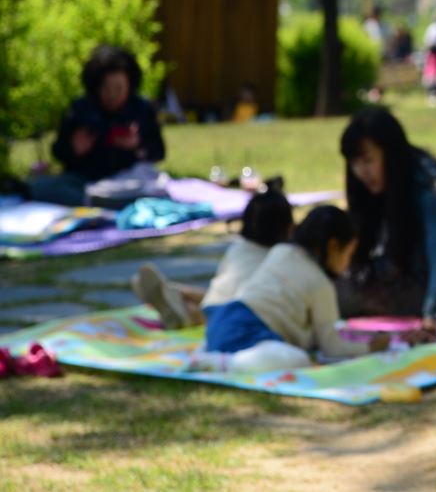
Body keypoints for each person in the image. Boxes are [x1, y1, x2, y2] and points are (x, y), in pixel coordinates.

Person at [338, 107, 436, 341]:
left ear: (390, 155)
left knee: (344, 297)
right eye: (354, 163)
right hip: (417, 278)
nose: (361, 172)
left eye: (368, 161)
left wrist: (431, 317)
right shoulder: (385, 185)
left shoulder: (428, 185)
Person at [202, 205, 389, 363]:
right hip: (252, 336)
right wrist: (371, 346)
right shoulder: (320, 284)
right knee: (298, 360)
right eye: (348, 254)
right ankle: (226, 364)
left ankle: (216, 359)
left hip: (222, 321)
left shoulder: (281, 251)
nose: (348, 263)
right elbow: (332, 347)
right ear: (333, 246)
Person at [130, 190, 295, 329]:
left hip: (216, 299)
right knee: (215, 316)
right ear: (287, 226)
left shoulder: (238, 249)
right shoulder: (283, 257)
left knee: (211, 300)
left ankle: (174, 291)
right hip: (235, 314)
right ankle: (186, 312)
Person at [30, 45, 166, 206]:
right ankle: (98, 200)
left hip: (126, 179)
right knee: (40, 187)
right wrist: (74, 149)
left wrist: (137, 146)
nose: (112, 95)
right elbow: (59, 152)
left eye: (119, 88)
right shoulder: (80, 109)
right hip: (84, 180)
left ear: (130, 84)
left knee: (152, 184)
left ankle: (96, 200)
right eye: (106, 88)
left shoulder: (141, 109)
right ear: (95, 86)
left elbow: (158, 152)